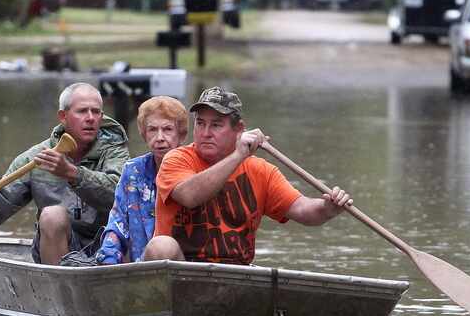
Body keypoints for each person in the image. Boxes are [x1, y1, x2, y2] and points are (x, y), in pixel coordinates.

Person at [142, 86, 352, 265]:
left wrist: (328, 208)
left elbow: (303, 209)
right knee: (161, 246)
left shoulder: (262, 171)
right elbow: (190, 196)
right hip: (182, 273)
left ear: (239, 130)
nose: (205, 132)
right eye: (200, 123)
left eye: (216, 125)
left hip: (235, 274)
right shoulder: (176, 159)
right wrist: (237, 155)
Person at [0, 82, 129, 265]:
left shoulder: (115, 151)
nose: (90, 118)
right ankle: (57, 290)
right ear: (63, 116)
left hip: (108, 246)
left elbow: (118, 194)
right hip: (56, 250)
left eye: (96, 112)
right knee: (52, 214)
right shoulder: (35, 158)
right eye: (82, 111)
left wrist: (73, 174)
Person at [95, 96, 188, 265]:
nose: (159, 137)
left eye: (167, 129)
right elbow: (118, 223)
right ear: (144, 135)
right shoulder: (133, 171)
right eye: (152, 130)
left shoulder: (194, 168)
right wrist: (108, 259)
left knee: (163, 248)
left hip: (185, 269)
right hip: (140, 267)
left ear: (181, 135)